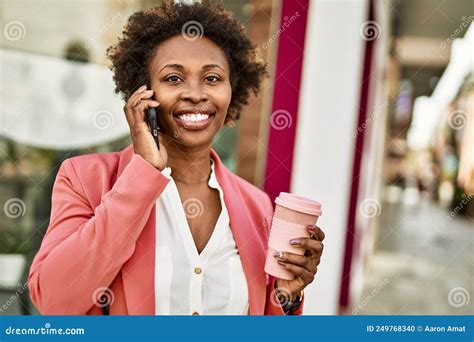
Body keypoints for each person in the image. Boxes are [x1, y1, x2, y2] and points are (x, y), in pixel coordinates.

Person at [28, 0, 325, 315]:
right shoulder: (86, 179)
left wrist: (286, 296)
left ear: (231, 92)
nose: (195, 94)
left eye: (212, 78)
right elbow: (54, 300)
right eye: (173, 78)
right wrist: (142, 174)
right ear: (142, 93)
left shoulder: (257, 206)